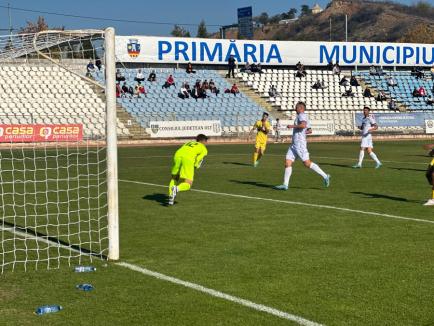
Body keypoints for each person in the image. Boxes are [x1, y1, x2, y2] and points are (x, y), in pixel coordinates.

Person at [274, 102, 330, 190]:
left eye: (296, 107)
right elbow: (309, 130)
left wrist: (292, 126)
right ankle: (285, 185)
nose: (295, 109)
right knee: (287, 162)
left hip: (300, 144)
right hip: (294, 144)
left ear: (300, 108)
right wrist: (302, 132)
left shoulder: (301, 115)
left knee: (307, 163)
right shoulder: (304, 116)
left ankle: (325, 176)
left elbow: (303, 125)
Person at [168, 134, 208, 205]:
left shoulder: (189, 143)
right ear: (203, 141)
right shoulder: (203, 148)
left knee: (174, 177)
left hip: (177, 155)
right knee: (188, 183)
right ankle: (176, 189)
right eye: (206, 141)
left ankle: (171, 196)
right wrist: (196, 166)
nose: (206, 143)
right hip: (188, 158)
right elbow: (199, 159)